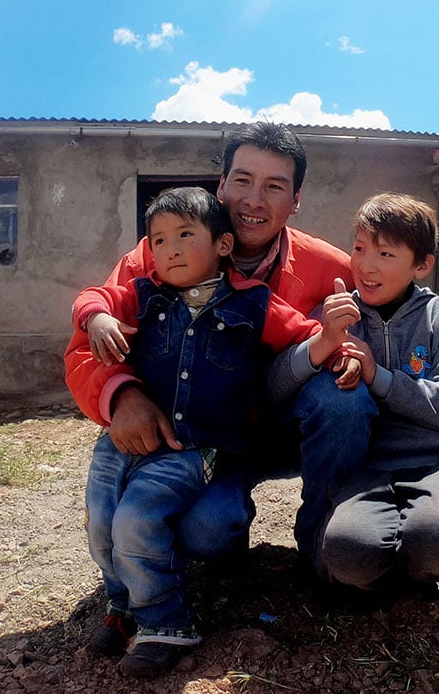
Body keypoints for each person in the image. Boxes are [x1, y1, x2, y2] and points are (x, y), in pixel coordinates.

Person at [64, 186, 360, 675]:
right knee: (101, 521)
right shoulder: (141, 295)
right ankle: (122, 606)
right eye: (158, 240)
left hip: (190, 448)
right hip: (123, 442)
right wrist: (94, 316)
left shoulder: (254, 305)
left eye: (185, 235)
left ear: (223, 245)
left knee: (135, 519)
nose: (170, 250)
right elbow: (94, 295)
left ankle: (166, 622)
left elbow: (305, 334)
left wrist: (340, 346)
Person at [71, 121, 378, 563]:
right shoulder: (158, 257)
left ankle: (326, 543)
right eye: (242, 180)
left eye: (275, 186)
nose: (254, 200)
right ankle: (210, 539)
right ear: (221, 185)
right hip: (194, 435)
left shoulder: (331, 268)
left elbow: (390, 306)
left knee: (343, 398)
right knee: (207, 532)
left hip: (285, 427)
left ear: (295, 202)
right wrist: (121, 397)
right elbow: (86, 343)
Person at [269, 192, 439, 604]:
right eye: (360, 248)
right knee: (349, 556)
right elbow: (274, 388)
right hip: (369, 468)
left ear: (421, 265)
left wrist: (376, 375)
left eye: (385, 253)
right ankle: (398, 569)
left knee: (438, 537)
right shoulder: (338, 314)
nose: (366, 266)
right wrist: (324, 341)